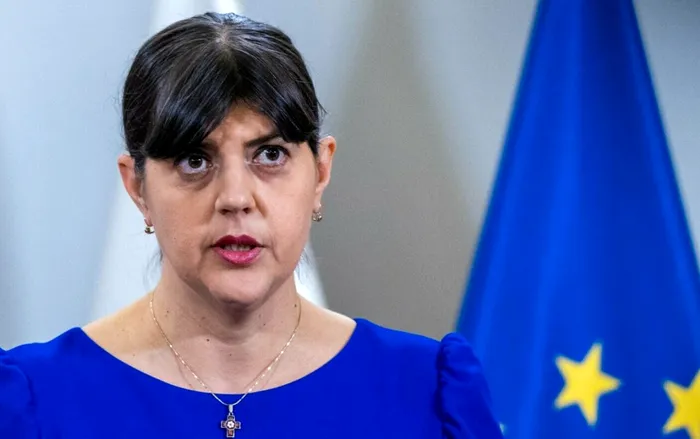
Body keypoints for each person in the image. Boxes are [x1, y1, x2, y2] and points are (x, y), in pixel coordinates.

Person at [0, 12, 503, 438]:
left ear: (320, 171)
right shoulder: (37, 401)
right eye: (194, 160)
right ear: (137, 187)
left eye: (270, 154)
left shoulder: (425, 392)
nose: (236, 199)